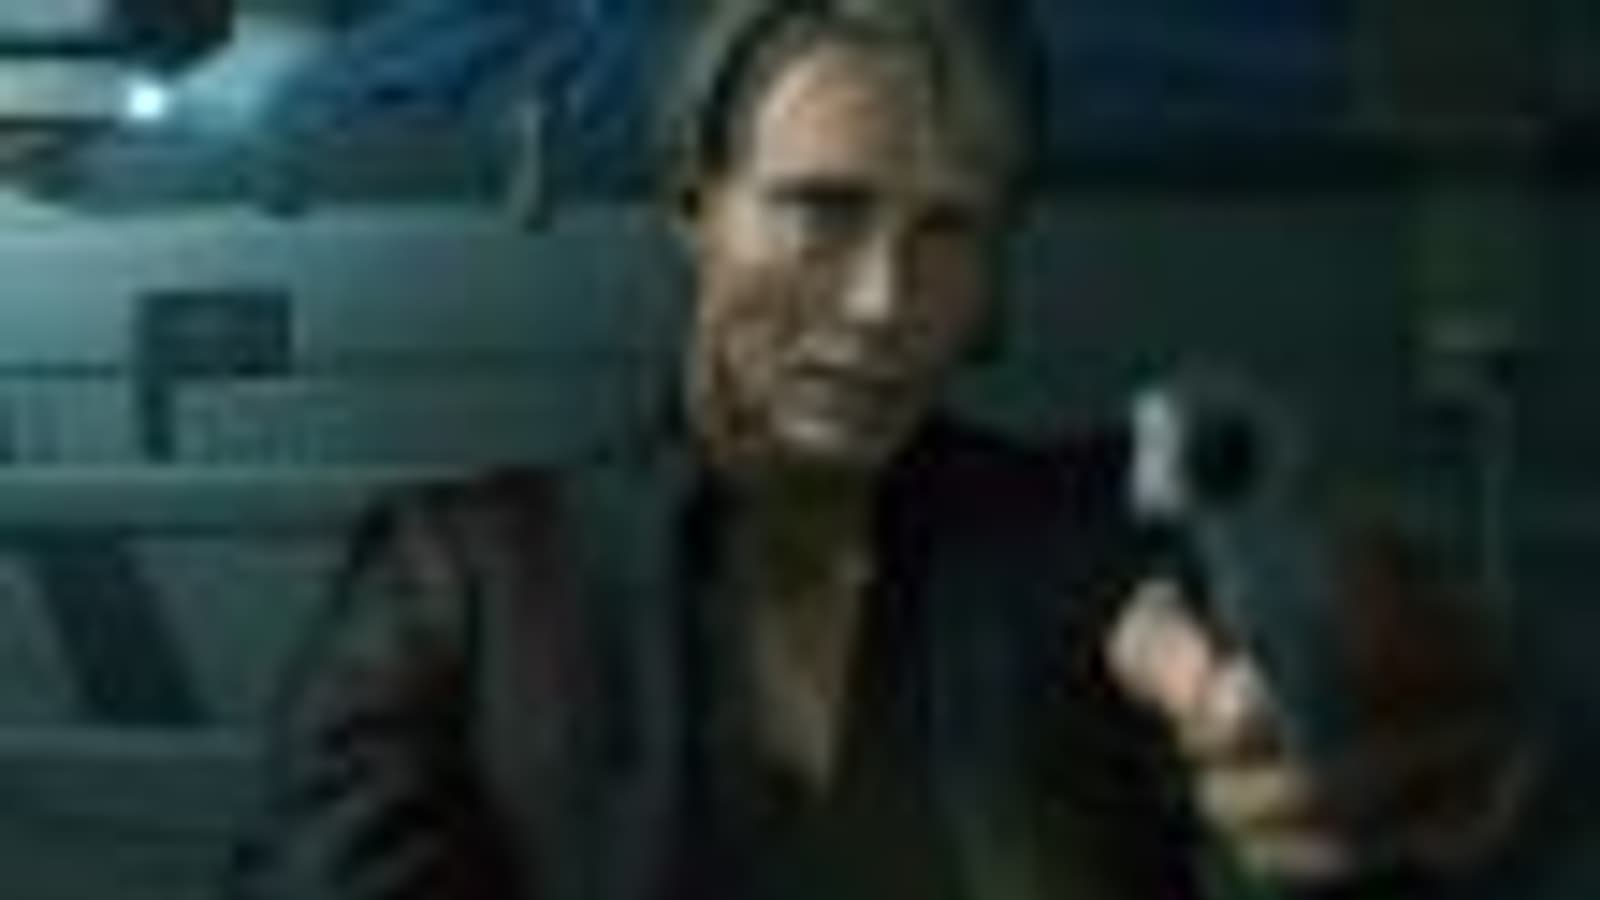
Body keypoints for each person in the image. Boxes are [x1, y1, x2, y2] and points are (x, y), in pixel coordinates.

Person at [239, 1, 1542, 898]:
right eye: (824, 211)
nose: (881, 302)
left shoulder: (1104, 547)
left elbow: (1305, 727)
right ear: (695, 209)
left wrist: (1329, 746)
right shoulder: (460, 578)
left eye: (947, 232)